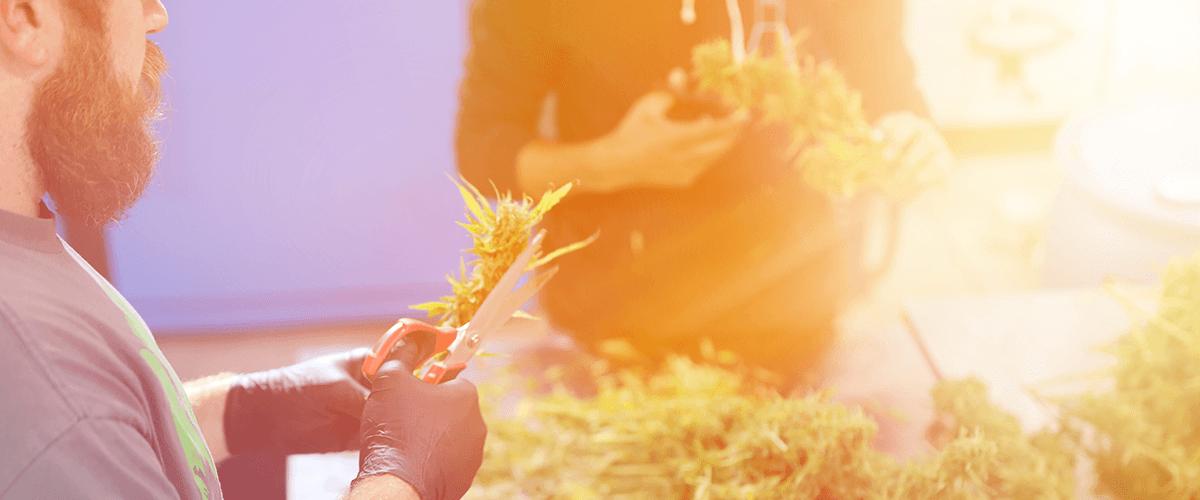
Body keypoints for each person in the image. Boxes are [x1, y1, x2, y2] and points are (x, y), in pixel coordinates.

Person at [0, 1, 485, 499]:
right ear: (25, 16)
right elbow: (72, 425)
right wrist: (402, 479)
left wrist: (234, 413)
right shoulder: (40, 376)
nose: (155, 14)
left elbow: (93, 439)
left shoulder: (21, 241)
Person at [456, 0, 953, 380]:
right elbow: (481, 151)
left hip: (793, 311)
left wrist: (910, 137)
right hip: (616, 325)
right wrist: (612, 163)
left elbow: (888, 89)